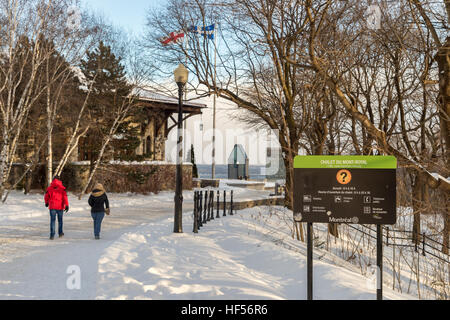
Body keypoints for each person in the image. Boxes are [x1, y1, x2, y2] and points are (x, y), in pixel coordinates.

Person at [44, 175, 69, 240]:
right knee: (60, 220)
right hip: (60, 206)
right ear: (59, 180)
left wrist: (46, 202)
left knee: (52, 221)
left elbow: (46, 196)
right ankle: (60, 233)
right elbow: (65, 197)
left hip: (52, 206)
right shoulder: (62, 188)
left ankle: (52, 235)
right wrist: (67, 205)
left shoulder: (49, 188)